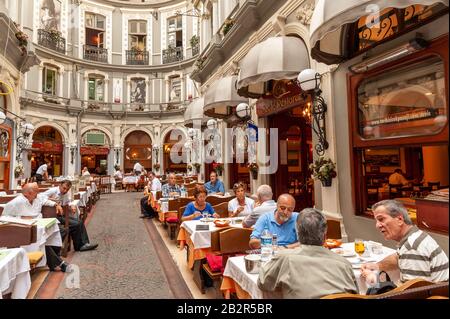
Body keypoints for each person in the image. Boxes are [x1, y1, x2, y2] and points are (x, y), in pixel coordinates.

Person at [258, 208, 359, 298]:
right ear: (325, 236)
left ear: (298, 235)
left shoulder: (286, 259)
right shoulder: (345, 264)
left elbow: (262, 283)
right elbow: (355, 295)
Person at [361, 200, 448, 284]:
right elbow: (397, 257)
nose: (377, 225)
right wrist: (377, 266)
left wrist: (373, 280)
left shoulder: (411, 247)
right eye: (376, 221)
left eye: (381, 219)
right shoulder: (415, 236)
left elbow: (413, 292)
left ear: (400, 219)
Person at [2, 183, 71, 272]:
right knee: (42, 241)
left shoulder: (38, 198)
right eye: (36, 192)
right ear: (29, 193)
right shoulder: (16, 202)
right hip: (23, 230)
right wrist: (21, 218)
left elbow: (46, 201)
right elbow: (4, 218)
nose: (38, 194)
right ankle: (59, 263)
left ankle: (52, 260)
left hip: (40, 224)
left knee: (61, 231)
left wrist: (56, 205)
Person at [42, 180, 98, 252]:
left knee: (80, 222)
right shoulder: (53, 191)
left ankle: (85, 244)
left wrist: (72, 206)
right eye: (64, 188)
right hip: (51, 216)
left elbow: (68, 202)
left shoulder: (65, 194)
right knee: (76, 224)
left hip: (60, 215)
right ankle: (79, 246)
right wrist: (53, 202)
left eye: (67, 189)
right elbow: (40, 197)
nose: (65, 191)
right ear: (60, 185)